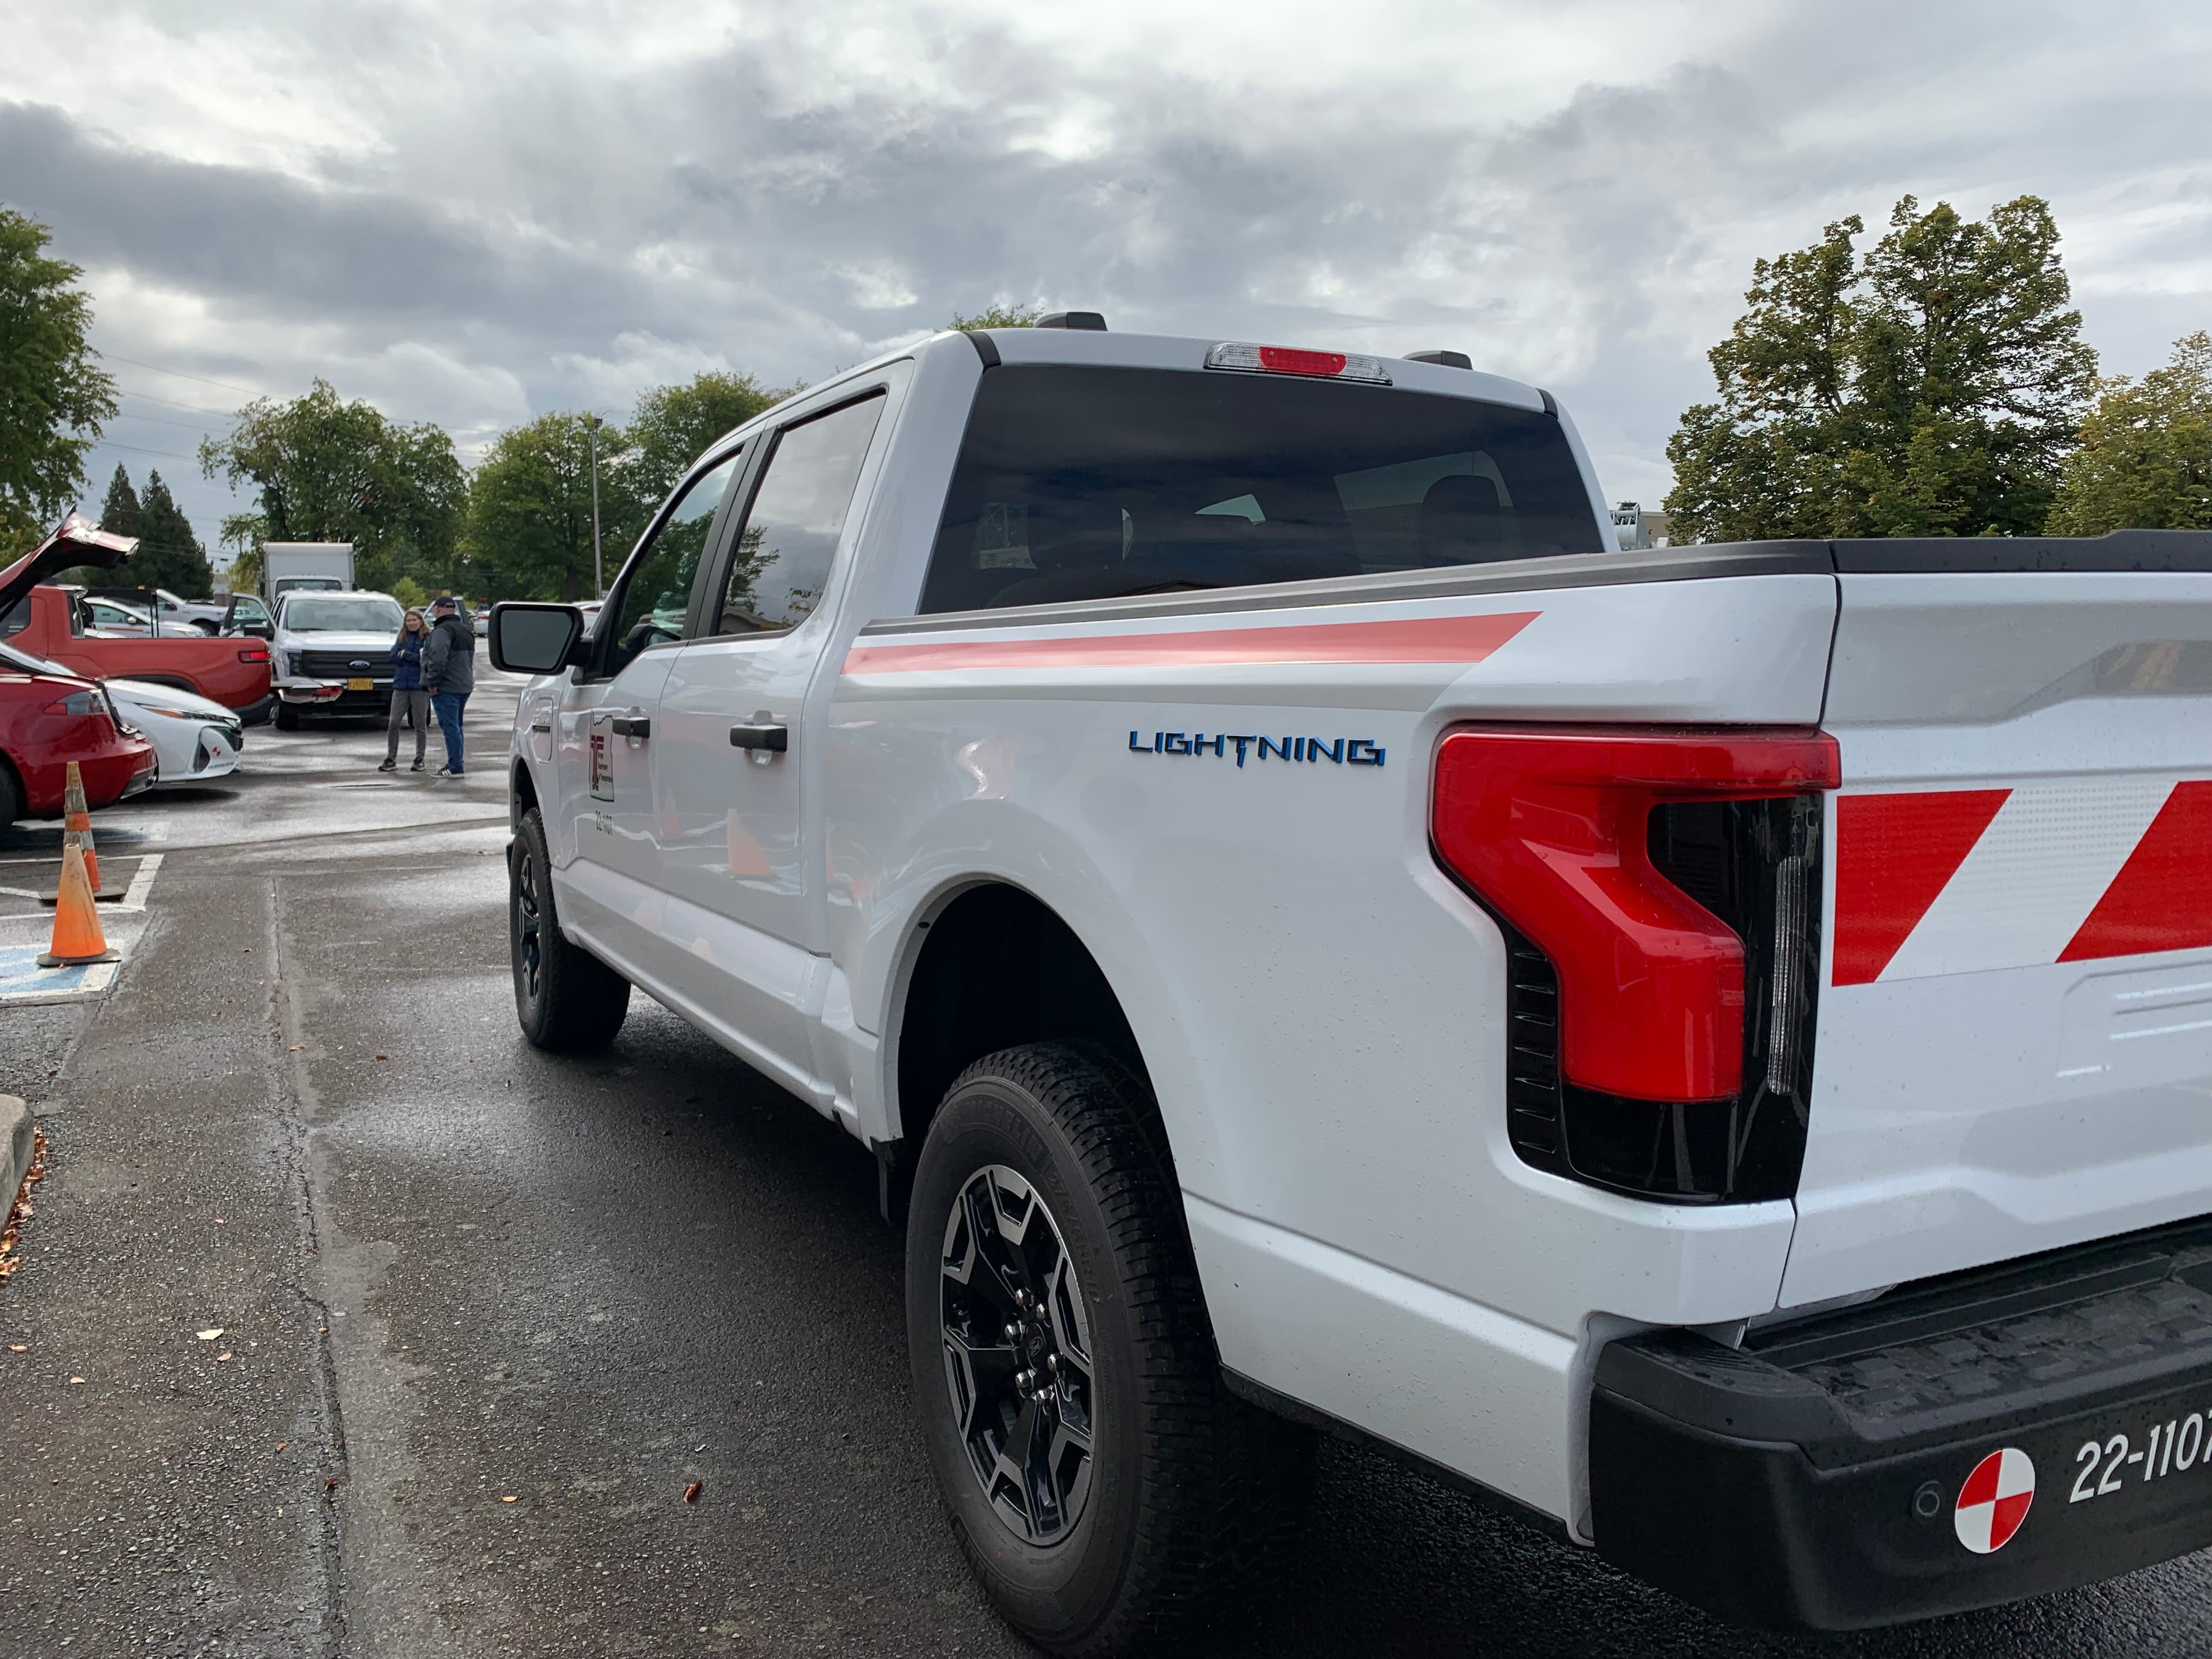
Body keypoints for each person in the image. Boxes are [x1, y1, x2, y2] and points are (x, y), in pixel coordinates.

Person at [421, 594, 476, 777]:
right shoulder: (465, 631)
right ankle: (457, 762)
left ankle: (455, 765)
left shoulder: (441, 631)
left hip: (447, 687)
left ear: (437, 610)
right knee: (457, 726)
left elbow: (437, 658)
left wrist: (432, 681)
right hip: (464, 685)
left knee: (450, 726)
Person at [379, 608, 431, 772]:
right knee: (394, 722)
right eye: (408, 621)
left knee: (419, 724)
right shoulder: (402, 637)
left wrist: (406, 655)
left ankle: (419, 758)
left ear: (420, 621)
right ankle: (391, 758)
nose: (411, 623)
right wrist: (410, 656)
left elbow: (424, 658)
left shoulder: (427, 638)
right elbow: (392, 657)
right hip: (401, 686)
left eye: (414, 620)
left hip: (419, 686)